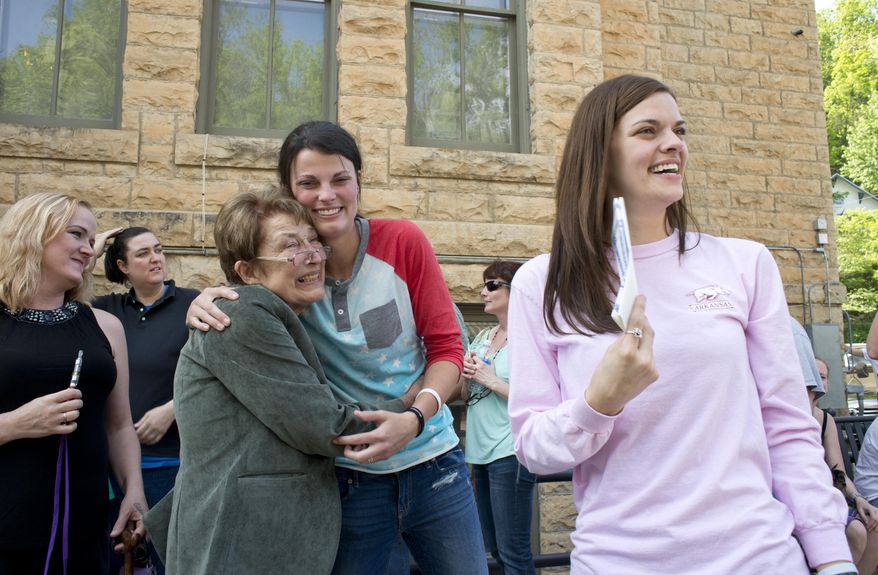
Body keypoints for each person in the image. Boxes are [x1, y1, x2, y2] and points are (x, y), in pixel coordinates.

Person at [506, 75, 853, 574]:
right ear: (598, 154)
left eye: (679, 130)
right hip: (619, 561)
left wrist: (831, 555)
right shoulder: (541, 283)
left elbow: (788, 428)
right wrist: (598, 403)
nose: (673, 143)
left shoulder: (745, 263)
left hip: (758, 558)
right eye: (648, 130)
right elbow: (533, 449)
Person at [186, 121, 486, 574]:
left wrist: (415, 415)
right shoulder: (288, 277)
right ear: (289, 190)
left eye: (340, 179)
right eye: (309, 183)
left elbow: (446, 347)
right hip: (349, 480)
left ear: (359, 183)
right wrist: (210, 295)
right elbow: (250, 296)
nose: (326, 195)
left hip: (434, 462)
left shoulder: (403, 242)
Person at [145, 189, 423, 574]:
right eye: (291, 246)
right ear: (247, 271)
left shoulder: (280, 313)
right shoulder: (243, 317)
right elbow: (323, 425)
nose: (312, 254)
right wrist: (411, 401)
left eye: (314, 241)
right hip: (242, 544)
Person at [0, 193, 146, 574]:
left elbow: (118, 425)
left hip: (83, 534)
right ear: (33, 234)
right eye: (77, 235)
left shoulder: (106, 326)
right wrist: (14, 425)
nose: (89, 249)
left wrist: (134, 489)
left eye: (91, 239)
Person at [91, 226, 198, 574]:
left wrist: (172, 409)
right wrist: (91, 250)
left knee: (167, 562)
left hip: (170, 465)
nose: (156, 258)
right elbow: (60, 302)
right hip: (113, 471)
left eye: (159, 249)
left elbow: (218, 376)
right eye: (143, 253)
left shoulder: (192, 304)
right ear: (122, 266)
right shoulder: (108, 310)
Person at [459, 260, 535, 574]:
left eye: (492, 285)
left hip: (511, 451)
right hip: (479, 451)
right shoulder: (483, 337)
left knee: (514, 553)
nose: (483, 292)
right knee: (494, 550)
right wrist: (466, 375)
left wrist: (490, 379)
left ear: (514, 291)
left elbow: (537, 398)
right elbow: (465, 396)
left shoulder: (531, 338)